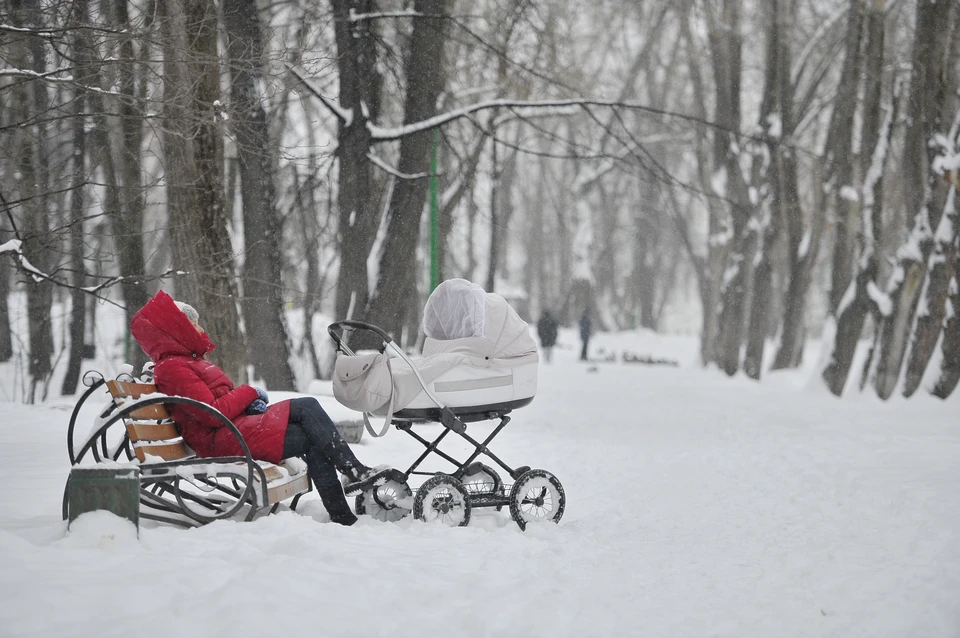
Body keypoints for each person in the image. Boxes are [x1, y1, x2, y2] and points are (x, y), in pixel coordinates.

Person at [130, 290, 393, 526]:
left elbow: (217, 404)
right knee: (308, 408)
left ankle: (343, 513)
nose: (199, 328)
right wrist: (249, 392)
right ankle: (353, 474)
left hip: (233, 430)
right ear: (177, 329)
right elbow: (213, 413)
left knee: (311, 436)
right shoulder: (175, 367)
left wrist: (248, 402)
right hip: (220, 439)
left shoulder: (188, 361)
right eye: (193, 323)